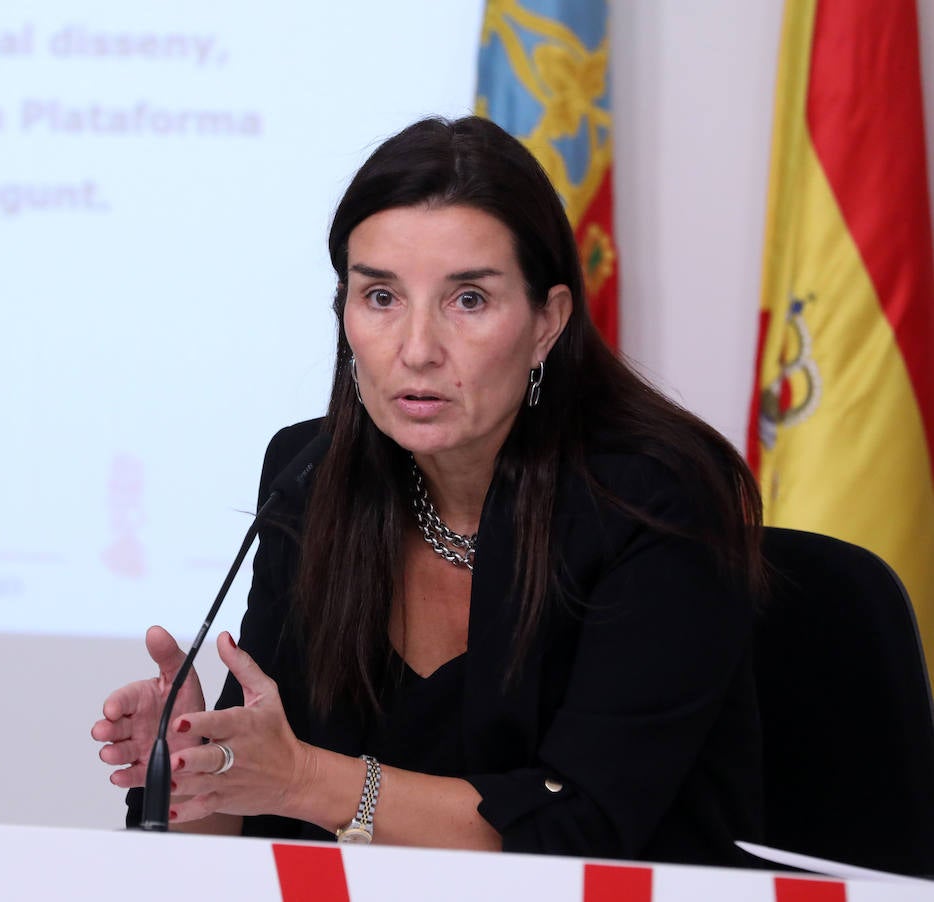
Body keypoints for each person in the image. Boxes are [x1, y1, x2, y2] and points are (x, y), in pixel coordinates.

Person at [91, 116, 765, 865]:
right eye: (380, 297)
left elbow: (583, 832)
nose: (416, 350)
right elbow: (255, 827)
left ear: (548, 321)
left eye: (468, 300)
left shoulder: (657, 500)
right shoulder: (312, 477)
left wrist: (306, 780)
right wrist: (192, 768)